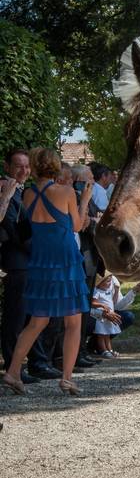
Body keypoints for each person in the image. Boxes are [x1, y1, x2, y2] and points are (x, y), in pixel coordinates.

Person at [1, 148, 91, 396]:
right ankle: (67, 379)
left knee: (36, 321)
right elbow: (77, 225)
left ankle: (13, 372)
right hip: (64, 260)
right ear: (54, 166)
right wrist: (84, 200)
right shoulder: (65, 192)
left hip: (40, 261)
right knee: (73, 322)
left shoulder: (28, 194)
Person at [1, 149, 60, 385]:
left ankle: (35, 362)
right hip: (17, 263)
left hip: (28, 260)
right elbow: (15, 232)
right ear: (7, 167)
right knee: (15, 319)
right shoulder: (6, 190)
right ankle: (14, 366)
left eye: (27, 166)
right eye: (18, 166)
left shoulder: (20, 191)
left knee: (31, 316)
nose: (24, 170)